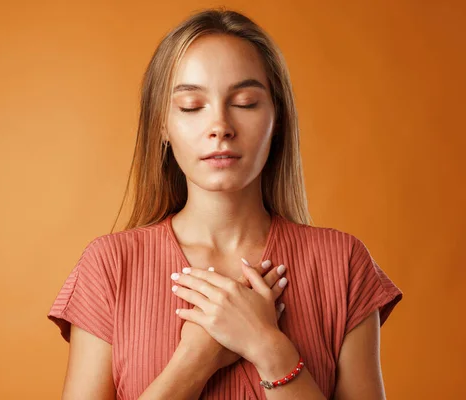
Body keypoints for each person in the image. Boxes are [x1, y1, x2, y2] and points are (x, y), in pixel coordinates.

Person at [47, 8, 403, 400]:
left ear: (277, 119)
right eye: (191, 106)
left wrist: (270, 350)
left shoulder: (344, 263)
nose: (220, 126)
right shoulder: (109, 266)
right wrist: (195, 360)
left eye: (246, 102)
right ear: (161, 125)